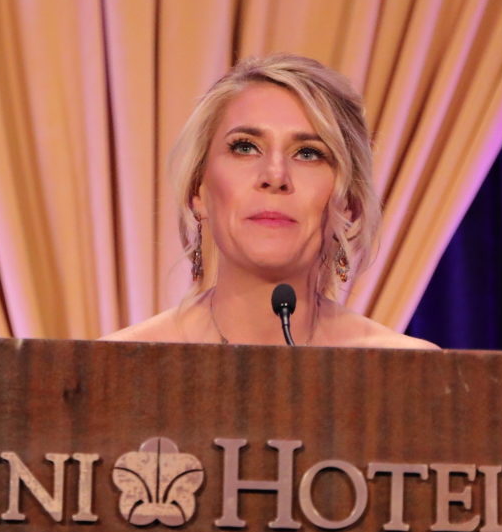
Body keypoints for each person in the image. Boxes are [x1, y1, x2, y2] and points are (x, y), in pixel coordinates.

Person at [104, 53, 436, 348]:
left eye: (308, 153)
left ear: (348, 202)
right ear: (198, 192)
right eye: (245, 147)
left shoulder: (407, 371)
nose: (275, 175)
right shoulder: (116, 364)